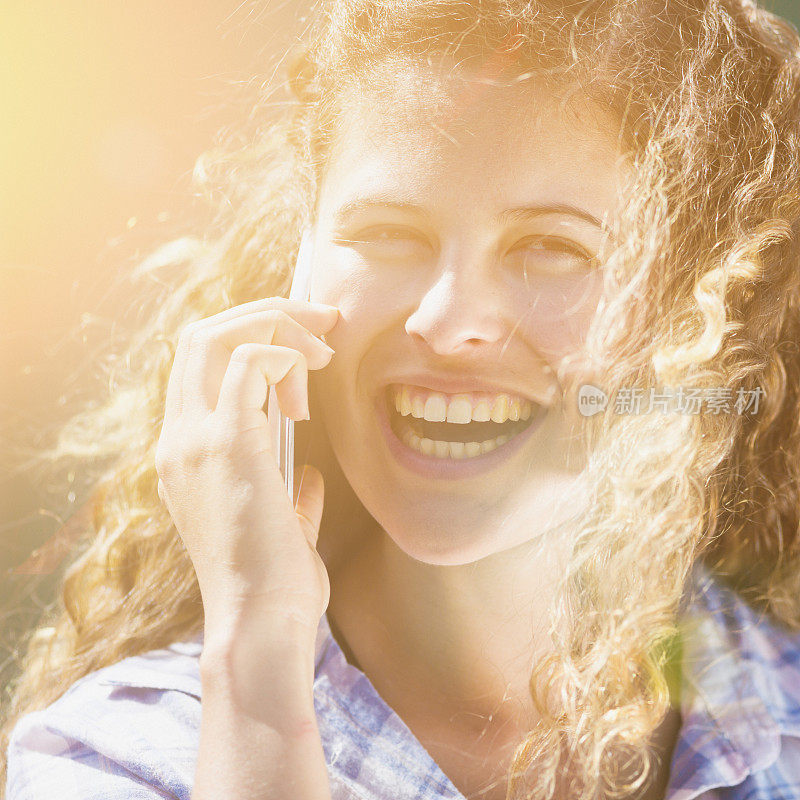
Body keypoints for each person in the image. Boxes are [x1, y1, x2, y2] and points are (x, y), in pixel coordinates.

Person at [4, 0, 800, 798]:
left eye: (553, 247)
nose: (448, 323)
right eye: (387, 233)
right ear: (298, 264)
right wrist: (259, 673)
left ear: (709, 296)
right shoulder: (113, 760)